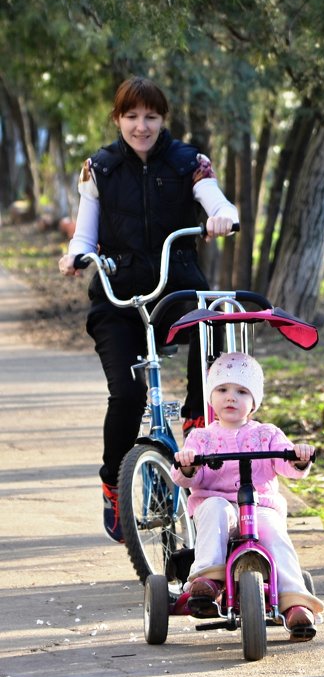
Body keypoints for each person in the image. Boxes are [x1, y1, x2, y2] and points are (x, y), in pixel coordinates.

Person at [58, 76, 238, 543]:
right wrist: (75, 254)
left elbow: (215, 200)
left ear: (163, 120)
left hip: (175, 292)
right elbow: (85, 232)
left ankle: (200, 431)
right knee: (127, 397)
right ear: (118, 119)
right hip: (119, 299)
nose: (142, 126)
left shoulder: (188, 162)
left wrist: (222, 217)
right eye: (132, 116)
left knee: (209, 332)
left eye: (151, 117)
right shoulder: (98, 168)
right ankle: (114, 484)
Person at [171, 351, 324, 642]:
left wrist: (299, 457)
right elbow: (185, 476)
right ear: (211, 397)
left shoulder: (267, 434)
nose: (231, 397)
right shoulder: (201, 438)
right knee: (215, 508)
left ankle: (295, 602)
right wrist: (189, 464)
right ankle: (209, 578)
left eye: (242, 391)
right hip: (215, 504)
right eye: (222, 389)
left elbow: (286, 463)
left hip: (259, 508)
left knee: (276, 535)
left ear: (254, 403)